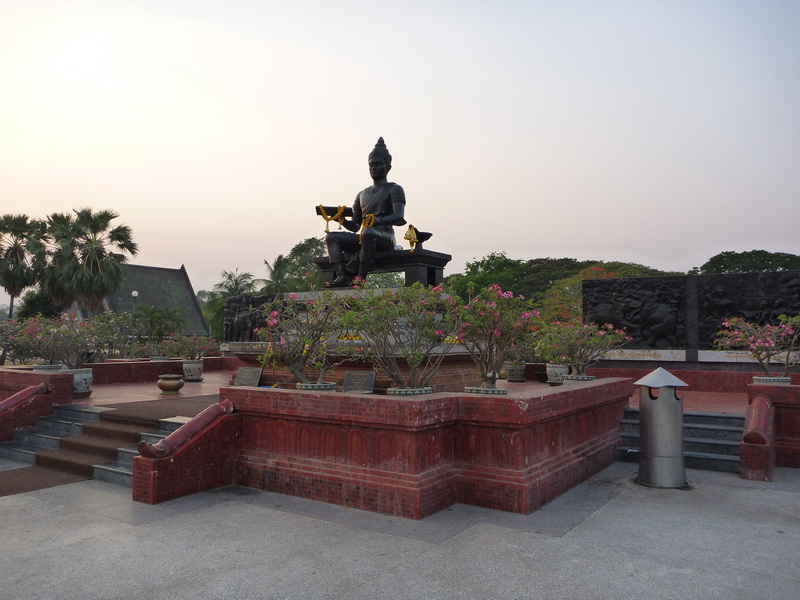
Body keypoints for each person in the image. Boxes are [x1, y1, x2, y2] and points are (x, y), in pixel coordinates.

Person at [325, 137, 406, 287]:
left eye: (378, 164)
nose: (374, 168)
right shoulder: (362, 194)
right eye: (371, 165)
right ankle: (342, 276)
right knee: (331, 237)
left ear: (388, 166)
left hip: (385, 237)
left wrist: (378, 220)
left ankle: (360, 278)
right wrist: (342, 220)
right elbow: (356, 226)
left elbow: (399, 216)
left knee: (369, 232)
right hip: (364, 236)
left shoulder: (394, 189)